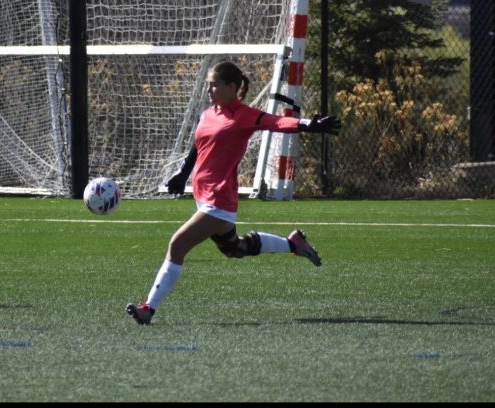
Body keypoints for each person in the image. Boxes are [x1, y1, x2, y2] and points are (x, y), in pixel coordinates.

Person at [126, 61, 340, 325]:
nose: (209, 89)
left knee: (177, 244)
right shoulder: (208, 113)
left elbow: (276, 122)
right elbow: (198, 146)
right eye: (208, 84)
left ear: (232, 87)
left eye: (214, 84)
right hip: (203, 196)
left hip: (219, 199)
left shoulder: (243, 115)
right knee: (235, 249)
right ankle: (293, 244)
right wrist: (183, 174)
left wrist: (307, 124)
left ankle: (148, 308)